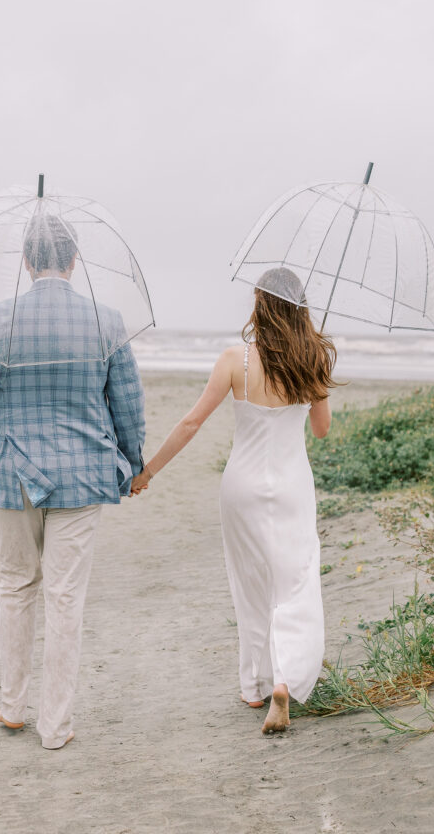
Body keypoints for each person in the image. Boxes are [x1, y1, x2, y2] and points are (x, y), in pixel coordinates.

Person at [0, 211, 145, 749]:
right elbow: (127, 406)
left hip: (13, 471)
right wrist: (133, 465)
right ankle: (55, 725)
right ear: (73, 259)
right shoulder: (108, 321)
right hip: (83, 476)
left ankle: (12, 706)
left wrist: (12, 411)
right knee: (65, 597)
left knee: (16, 585)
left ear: (26, 259)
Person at [131, 267, 335, 734]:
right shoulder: (315, 361)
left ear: (261, 305)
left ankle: (254, 686)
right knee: (295, 580)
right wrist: (315, 381)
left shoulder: (234, 360)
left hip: (241, 487)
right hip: (291, 486)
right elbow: (321, 430)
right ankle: (284, 680)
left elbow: (190, 424)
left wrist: (148, 472)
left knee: (250, 583)